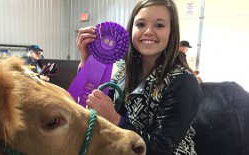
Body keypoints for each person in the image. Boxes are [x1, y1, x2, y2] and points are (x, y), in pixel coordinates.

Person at [76, 0, 202, 154]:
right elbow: (92, 104)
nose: (148, 31)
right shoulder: (123, 70)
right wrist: (87, 62)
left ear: (172, 31)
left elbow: (162, 149)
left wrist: (115, 119)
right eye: (141, 24)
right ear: (131, 28)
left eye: (159, 25)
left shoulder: (183, 82)